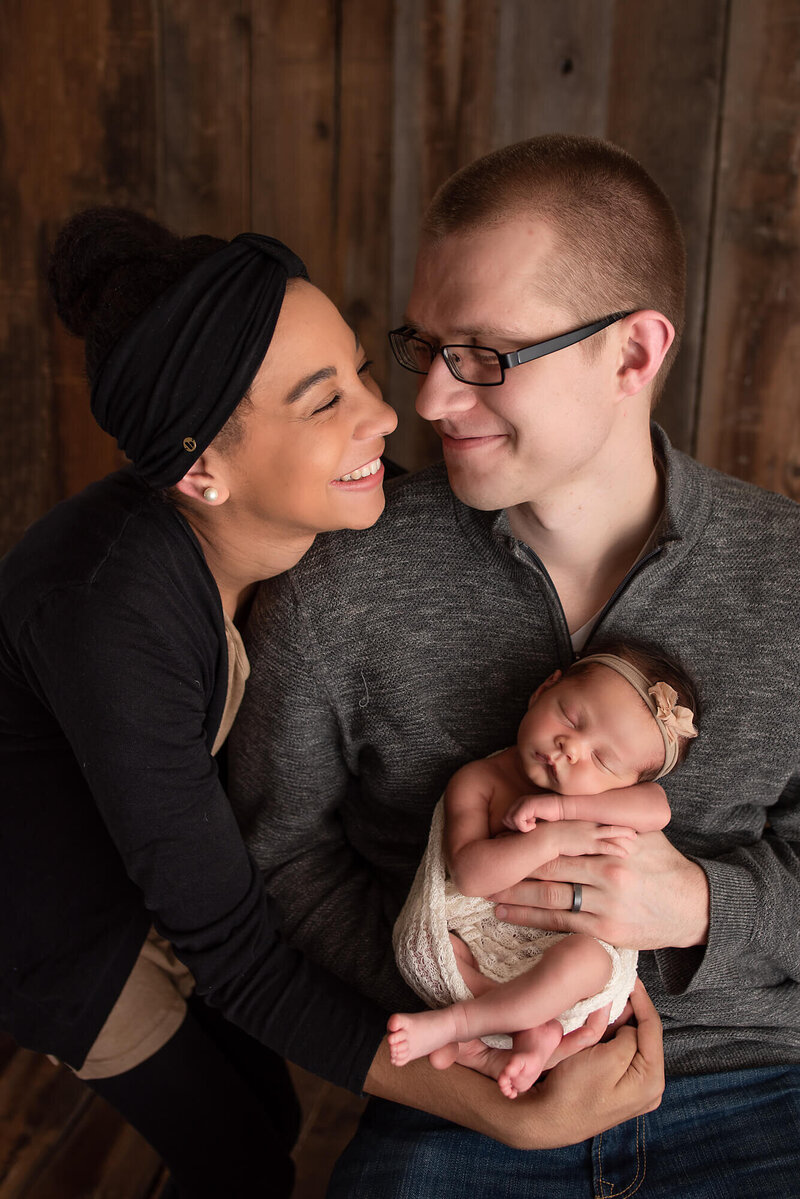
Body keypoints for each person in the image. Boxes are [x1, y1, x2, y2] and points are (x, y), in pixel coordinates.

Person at [0, 207, 664, 1199]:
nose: (386, 413)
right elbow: (235, 952)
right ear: (200, 471)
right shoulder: (113, 616)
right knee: (241, 1157)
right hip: (53, 911)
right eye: (323, 402)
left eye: (360, 369)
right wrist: (488, 1100)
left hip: (174, 866)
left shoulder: (341, 501)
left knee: (269, 1110)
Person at [230, 133, 800, 1197]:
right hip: (458, 1096)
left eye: (486, 355)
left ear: (632, 353)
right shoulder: (335, 585)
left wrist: (701, 908)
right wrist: (451, 986)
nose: (430, 402)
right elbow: (279, 860)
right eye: (423, 345)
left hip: (757, 1085)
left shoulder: (790, 580)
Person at [389, 643, 697, 1099]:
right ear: (544, 689)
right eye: (571, 719)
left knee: (586, 961)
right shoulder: (480, 780)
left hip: (563, 952)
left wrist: (562, 808)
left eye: (603, 760)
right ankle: (526, 1031)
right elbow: (470, 877)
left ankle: (462, 1026)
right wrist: (550, 838)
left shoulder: (603, 798)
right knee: (421, 951)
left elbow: (659, 809)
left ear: (629, 782)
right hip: (482, 939)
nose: (572, 748)